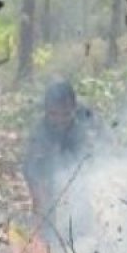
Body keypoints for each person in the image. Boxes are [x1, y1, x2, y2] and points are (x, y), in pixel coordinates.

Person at [22, 80, 103, 217]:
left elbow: (105, 140)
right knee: (46, 205)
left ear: (74, 108)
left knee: (81, 203)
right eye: (54, 114)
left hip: (77, 156)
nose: (60, 120)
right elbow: (29, 168)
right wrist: (38, 197)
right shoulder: (40, 131)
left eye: (65, 114)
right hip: (50, 166)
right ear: (46, 110)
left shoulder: (85, 116)